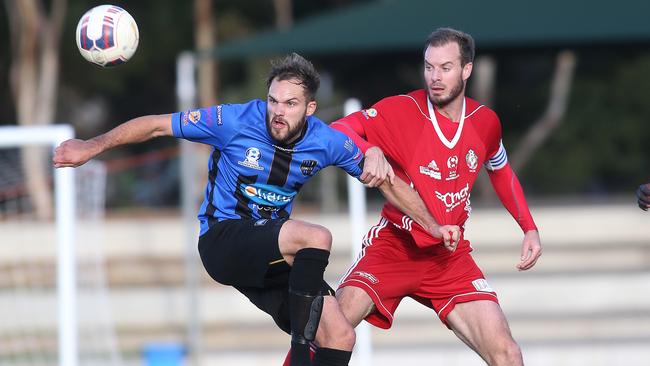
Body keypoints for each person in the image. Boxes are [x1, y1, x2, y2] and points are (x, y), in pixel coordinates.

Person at [53, 53, 458, 366]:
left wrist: (433, 226)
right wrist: (92, 147)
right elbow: (158, 125)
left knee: (340, 335)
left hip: (272, 257)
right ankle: (299, 353)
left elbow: (388, 182)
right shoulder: (232, 120)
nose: (278, 111)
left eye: (291, 104)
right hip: (223, 240)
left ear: (311, 109)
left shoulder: (325, 140)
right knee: (316, 237)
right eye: (273, 100)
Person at [284, 28, 542, 366]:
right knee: (328, 328)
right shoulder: (401, 111)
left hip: (449, 257)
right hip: (395, 247)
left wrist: (529, 228)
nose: (435, 77)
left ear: (466, 70)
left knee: (507, 353)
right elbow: (335, 131)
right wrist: (369, 148)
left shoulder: (485, 122)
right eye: (429, 67)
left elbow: (500, 169)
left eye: (445, 68)